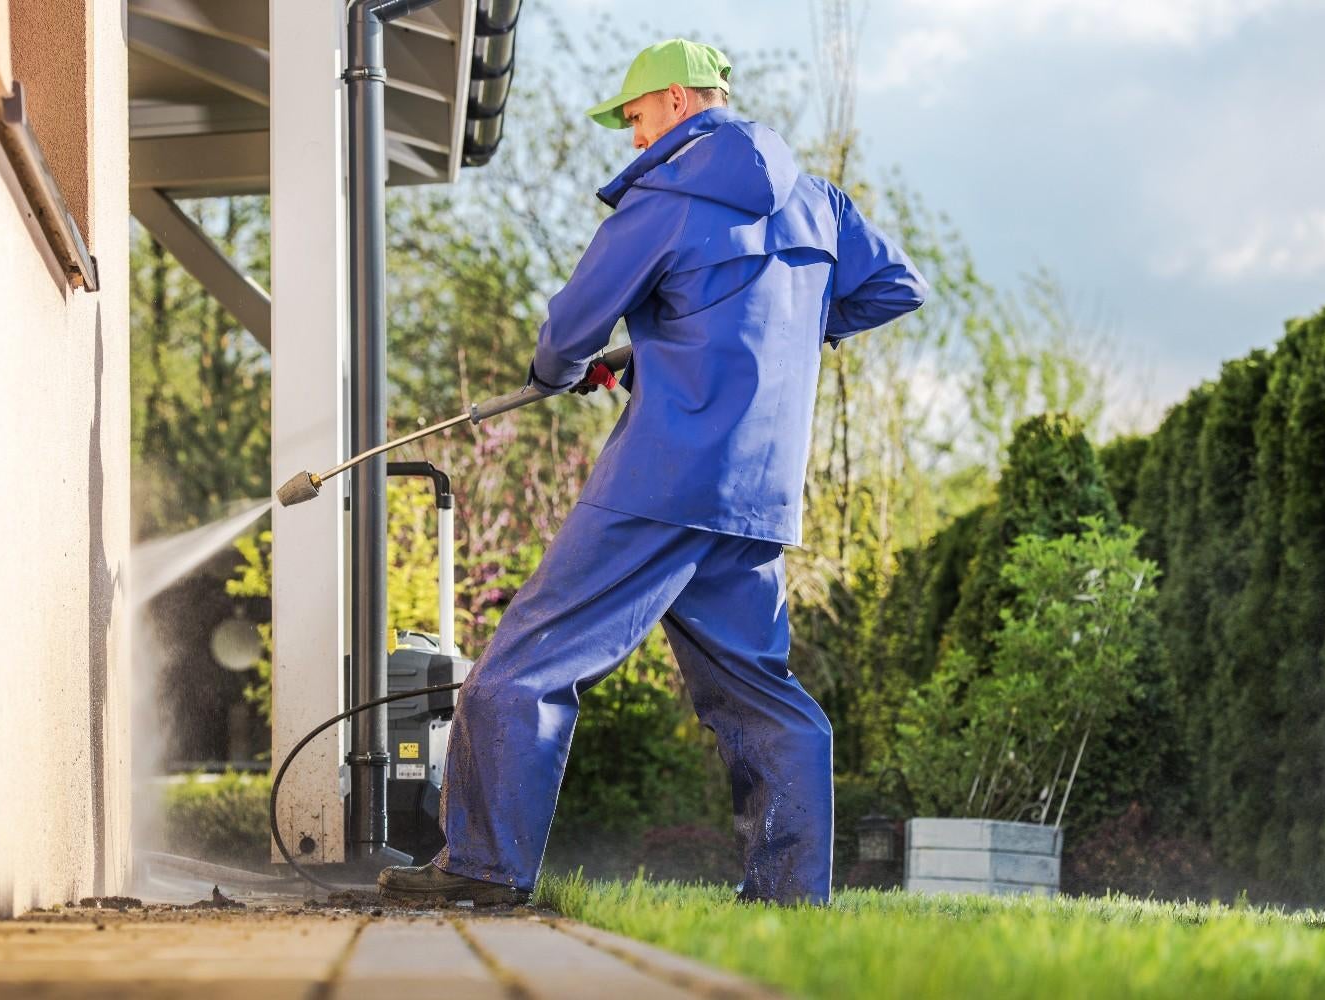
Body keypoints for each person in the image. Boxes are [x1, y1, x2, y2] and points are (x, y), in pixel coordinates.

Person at [379, 38, 926, 906]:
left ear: (675, 100)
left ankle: (482, 870)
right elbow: (895, 286)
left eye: (633, 116)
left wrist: (566, 373)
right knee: (764, 699)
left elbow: (567, 333)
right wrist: (750, 330)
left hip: (662, 478)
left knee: (523, 668)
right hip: (756, 494)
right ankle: (790, 894)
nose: (632, 138)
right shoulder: (820, 203)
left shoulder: (666, 197)